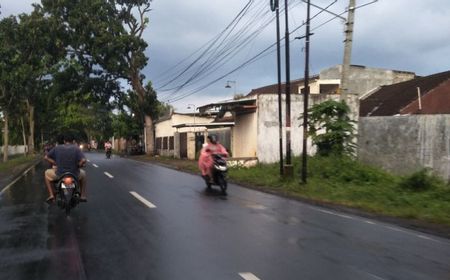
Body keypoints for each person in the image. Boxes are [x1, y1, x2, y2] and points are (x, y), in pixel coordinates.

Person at [44, 133, 87, 204]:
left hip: (59, 174)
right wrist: (79, 165)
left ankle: (51, 195)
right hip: (74, 174)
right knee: (84, 174)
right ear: (73, 141)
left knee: (46, 173)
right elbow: (83, 160)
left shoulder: (57, 148)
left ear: (64, 141)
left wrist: (55, 163)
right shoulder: (76, 148)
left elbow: (46, 157)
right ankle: (82, 195)